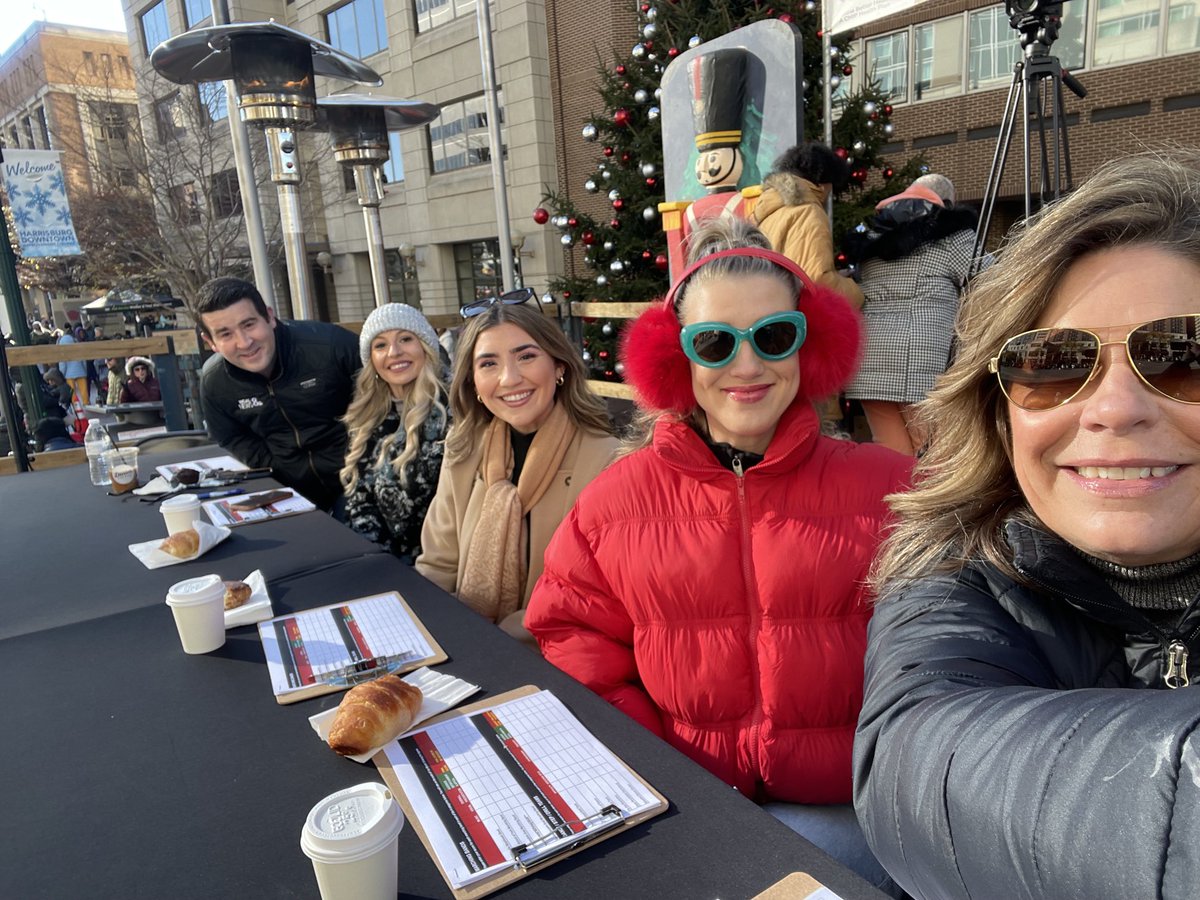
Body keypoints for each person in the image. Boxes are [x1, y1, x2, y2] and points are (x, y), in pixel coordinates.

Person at [525, 218, 911, 892]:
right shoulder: (614, 502)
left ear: (807, 343)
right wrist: (659, 762)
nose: (746, 364)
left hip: (851, 807)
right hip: (691, 806)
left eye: (774, 335)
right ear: (678, 357)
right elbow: (571, 634)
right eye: (713, 342)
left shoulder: (891, 488)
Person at [854, 150, 1200, 899]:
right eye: (1052, 362)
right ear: (999, 411)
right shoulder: (951, 584)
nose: (1113, 408)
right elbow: (922, 759)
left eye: (1182, 358)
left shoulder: (873, 242)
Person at [415, 296, 619, 643]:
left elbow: (599, 594)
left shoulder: (608, 460)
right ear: (474, 383)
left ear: (559, 367)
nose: (509, 379)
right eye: (489, 364)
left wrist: (509, 635)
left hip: (561, 653)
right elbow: (437, 566)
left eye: (526, 356)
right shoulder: (462, 450)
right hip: (467, 638)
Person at [195, 276, 361, 512]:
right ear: (210, 342)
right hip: (290, 492)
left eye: (249, 324)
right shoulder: (214, 381)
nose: (244, 342)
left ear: (270, 316)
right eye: (225, 334)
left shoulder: (331, 346)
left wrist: (364, 459)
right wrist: (276, 466)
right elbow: (231, 436)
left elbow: (383, 399)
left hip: (361, 480)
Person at [841, 174, 980, 455]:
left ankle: (892, 497)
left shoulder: (872, 237)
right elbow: (992, 277)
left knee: (891, 451)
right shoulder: (953, 236)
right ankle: (926, 499)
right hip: (921, 358)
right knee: (932, 450)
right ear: (946, 203)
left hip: (869, 356)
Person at [341, 304, 451, 564]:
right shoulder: (367, 415)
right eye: (380, 345)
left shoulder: (455, 409)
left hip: (438, 566)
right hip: (380, 562)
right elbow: (357, 500)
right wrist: (376, 561)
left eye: (405, 339)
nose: (394, 352)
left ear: (425, 346)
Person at [751, 142, 865, 309]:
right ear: (822, 183)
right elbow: (816, 280)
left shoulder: (768, 210)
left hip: (768, 310)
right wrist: (856, 292)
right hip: (796, 317)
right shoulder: (809, 212)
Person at [56, 324, 89, 409]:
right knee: (83, 389)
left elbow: (63, 362)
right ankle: (86, 403)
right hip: (80, 370)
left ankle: (75, 404)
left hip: (68, 373)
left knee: (72, 390)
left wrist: (62, 373)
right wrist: (84, 370)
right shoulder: (75, 343)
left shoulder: (62, 346)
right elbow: (83, 360)